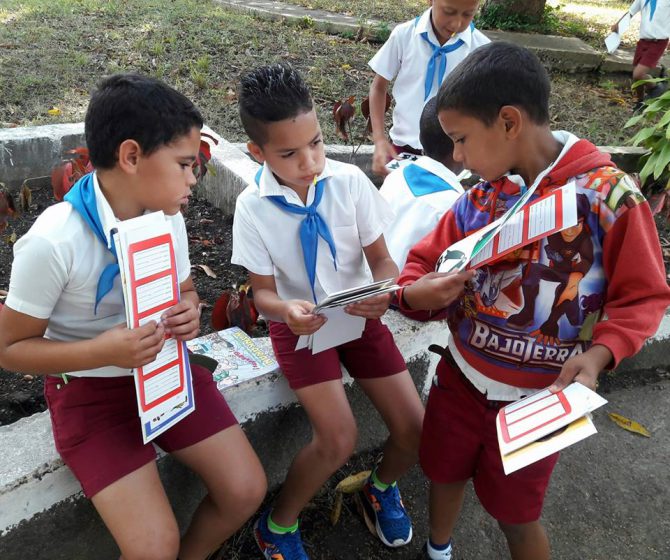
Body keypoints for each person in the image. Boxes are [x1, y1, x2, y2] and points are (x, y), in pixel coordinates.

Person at [395, 42, 670, 560]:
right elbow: (420, 264)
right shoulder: (480, 198)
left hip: (540, 402)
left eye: (460, 140)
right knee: (442, 472)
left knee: (518, 514)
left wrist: (600, 354)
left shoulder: (610, 199)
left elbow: (644, 295)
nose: (456, 157)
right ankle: (437, 549)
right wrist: (417, 291)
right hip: (460, 379)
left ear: (507, 121)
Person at [0, 74, 267, 560]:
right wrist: (104, 351)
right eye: (186, 165)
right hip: (89, 393)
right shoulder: (53, 241)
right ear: (130, 157)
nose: (193, 179)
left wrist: (190, 310)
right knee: (152, 545)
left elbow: (185, 290)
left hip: (165, 373)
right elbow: (10, 349)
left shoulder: (165, 215)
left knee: (246, 488)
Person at [233, 63, 425, 560]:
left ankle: (379, 487)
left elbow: (382, 259)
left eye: (316, 142)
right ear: (257, 152)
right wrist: (287, 311)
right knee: (338, 439)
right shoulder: (253, 207)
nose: (310, 161)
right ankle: (277, 525)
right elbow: (262, 295)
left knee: (414, 426)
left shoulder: (349, 182)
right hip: (298, 327)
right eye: (289, 153)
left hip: (358, 315)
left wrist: (383, 291)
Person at [367, 0, 489, 177]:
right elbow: (378, 88)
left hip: (451, 157)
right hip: (402, 148)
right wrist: (379, 139)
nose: (456, 23)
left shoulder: (481, 50)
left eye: (467, 14)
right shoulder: (404, 35)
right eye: (449, 11)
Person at [379, 96, 465, 269]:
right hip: (408, 292)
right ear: (458, 145)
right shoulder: (455, 208)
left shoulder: (396, 175)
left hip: (372, 285)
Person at [612, 0, 670, 109]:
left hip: (659, 42)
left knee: (638, 74)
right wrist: (618, 24)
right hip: (643, 41)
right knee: (636, 75)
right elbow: (630, 12)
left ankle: (656, 87)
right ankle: (640, 101)